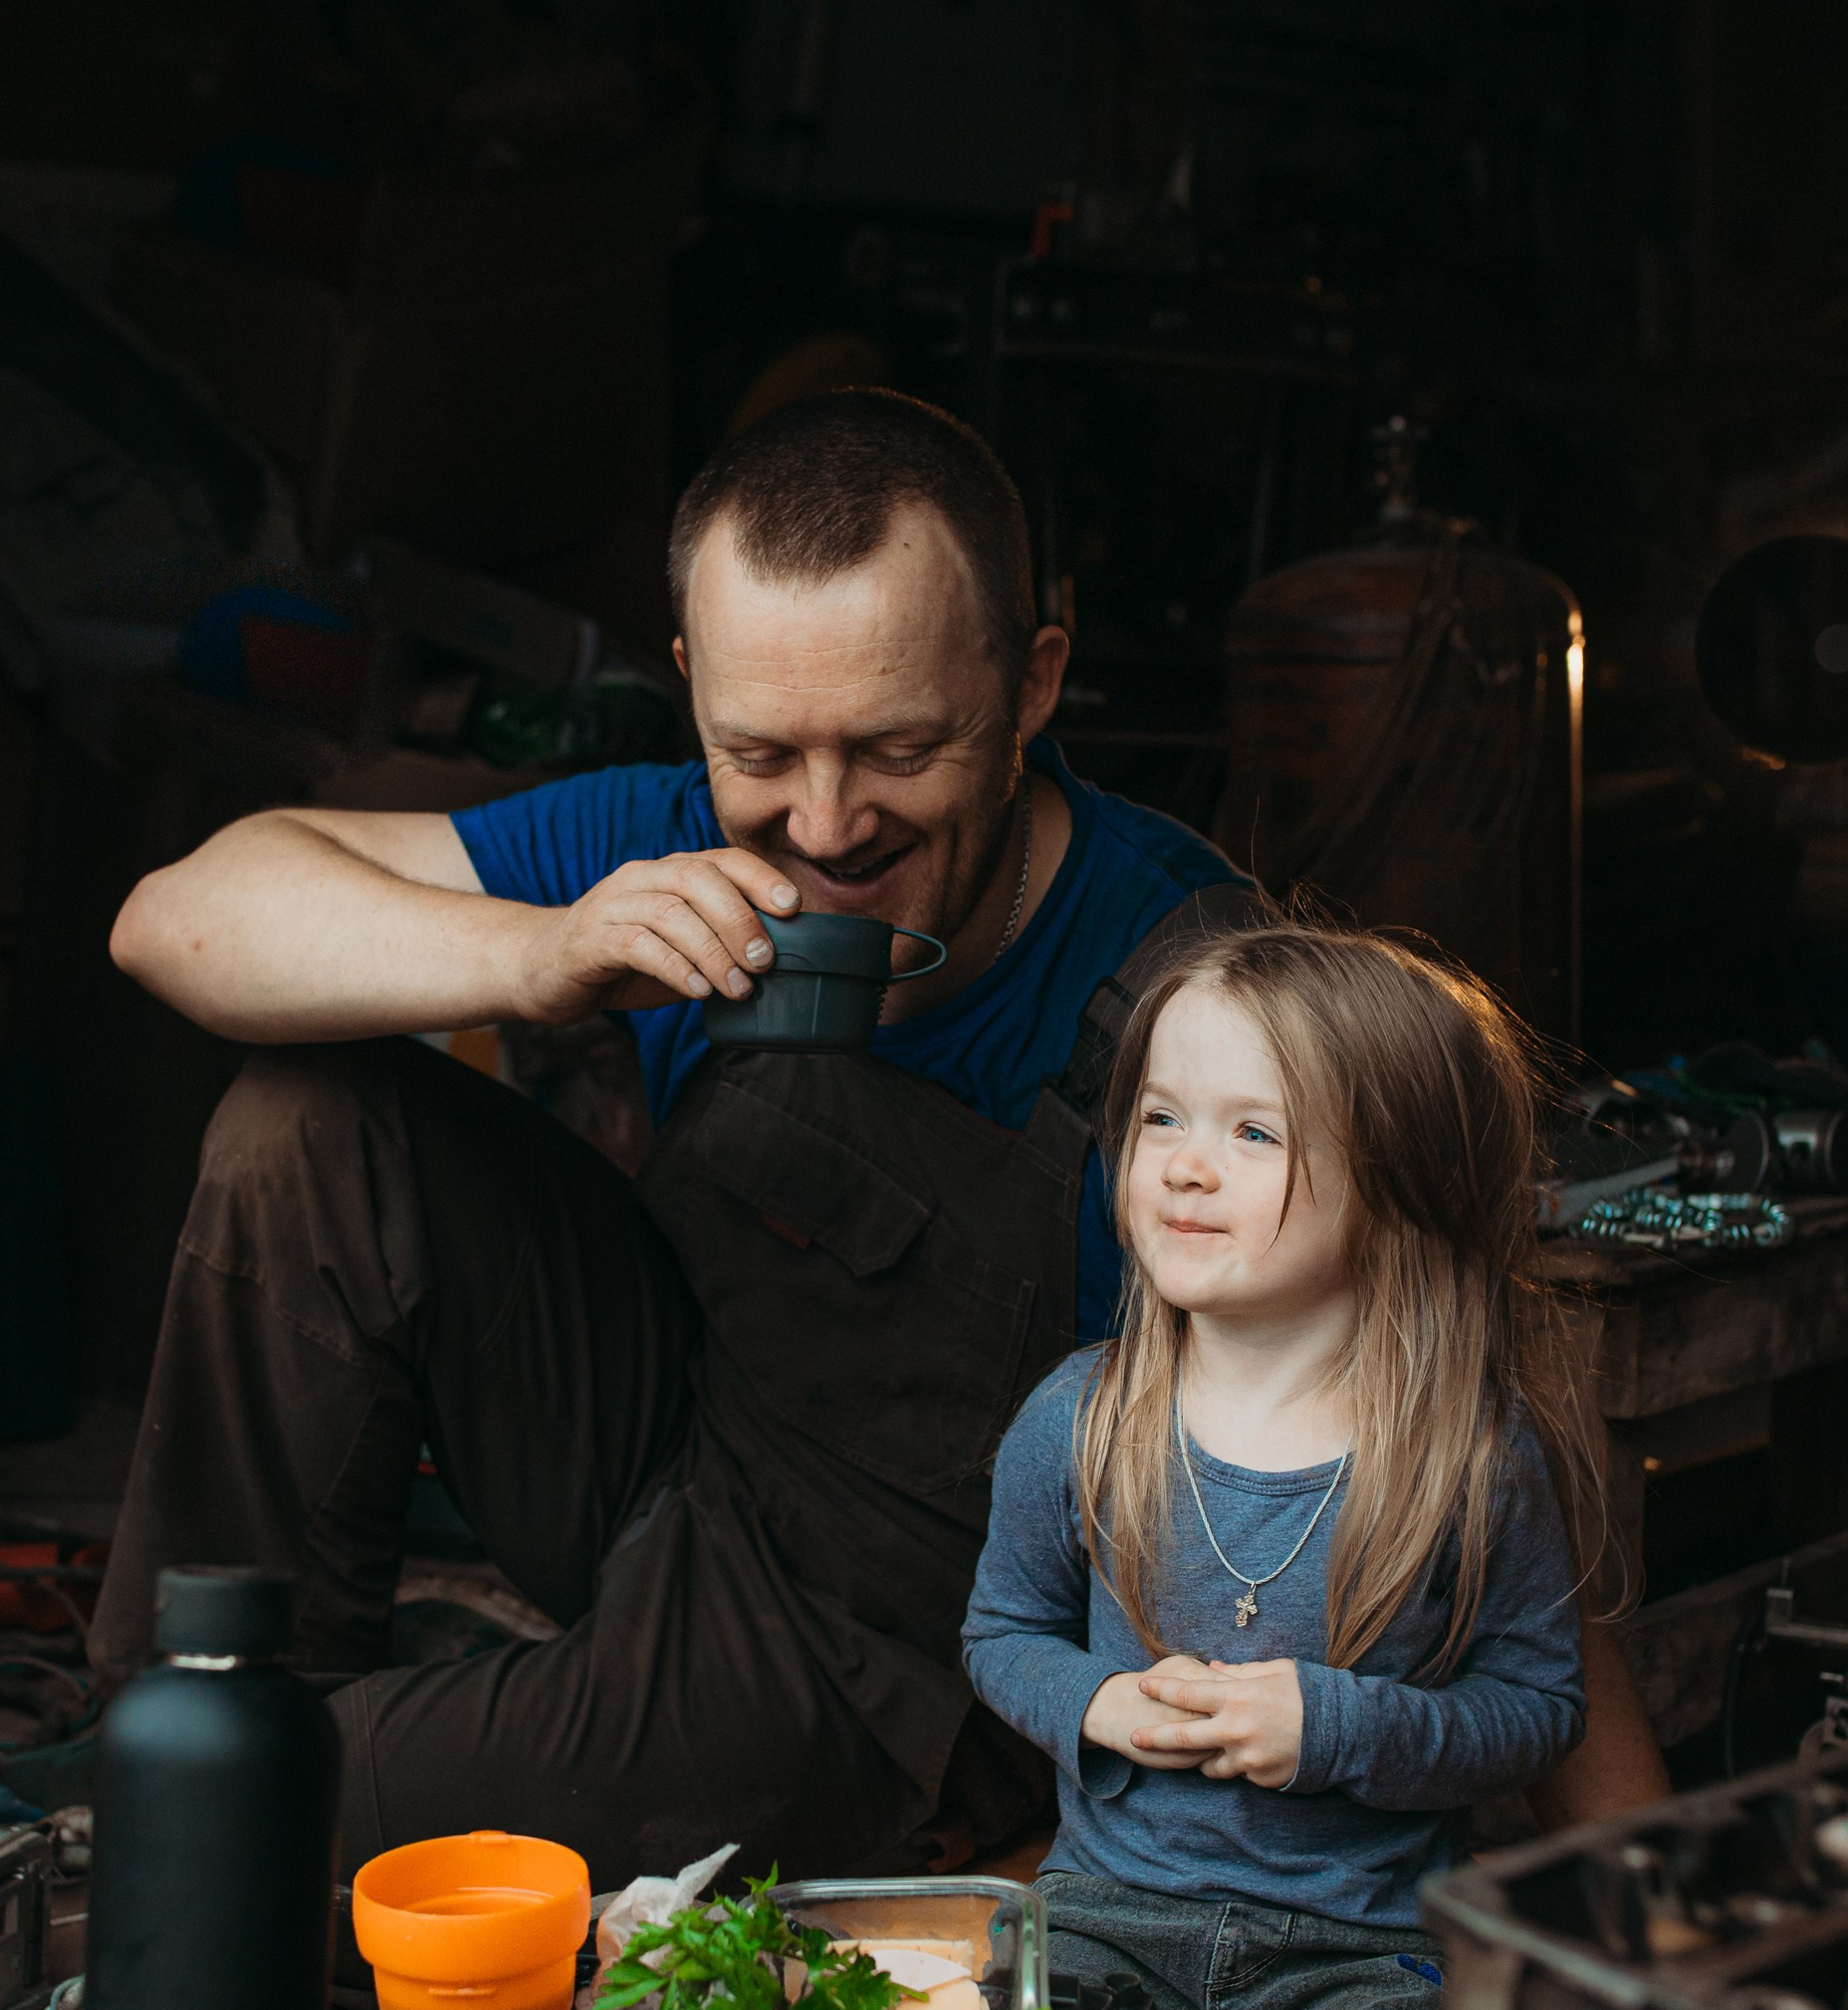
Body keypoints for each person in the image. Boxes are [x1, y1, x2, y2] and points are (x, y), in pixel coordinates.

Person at [101, 384, 1663, 1892]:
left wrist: (1643, 1912)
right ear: (695, 684)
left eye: (899, 750)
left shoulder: (1192, 1001)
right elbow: (177, 921)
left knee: (253, 1823)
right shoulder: (667, 839)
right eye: (765, 754)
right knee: (315, 1112)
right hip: (678, 1462)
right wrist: (537, 954)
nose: (826, 825)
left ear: (1034, 683)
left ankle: (225, 1817)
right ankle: (190, 1704)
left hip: (886, 1673)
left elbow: (1453, 1434)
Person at [960, 924, 1597, 2010]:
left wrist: (1339, 1728)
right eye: (1161, 1119)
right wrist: (1103, 1703)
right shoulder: (1080, 1421)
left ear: (1400, 1177)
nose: (1186, 1163)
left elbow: (1538, 1711)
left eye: (1258, 1133)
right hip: (1105, 1933)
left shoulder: (1475, 1459)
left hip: (1353, 1966)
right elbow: (1000, 1635)